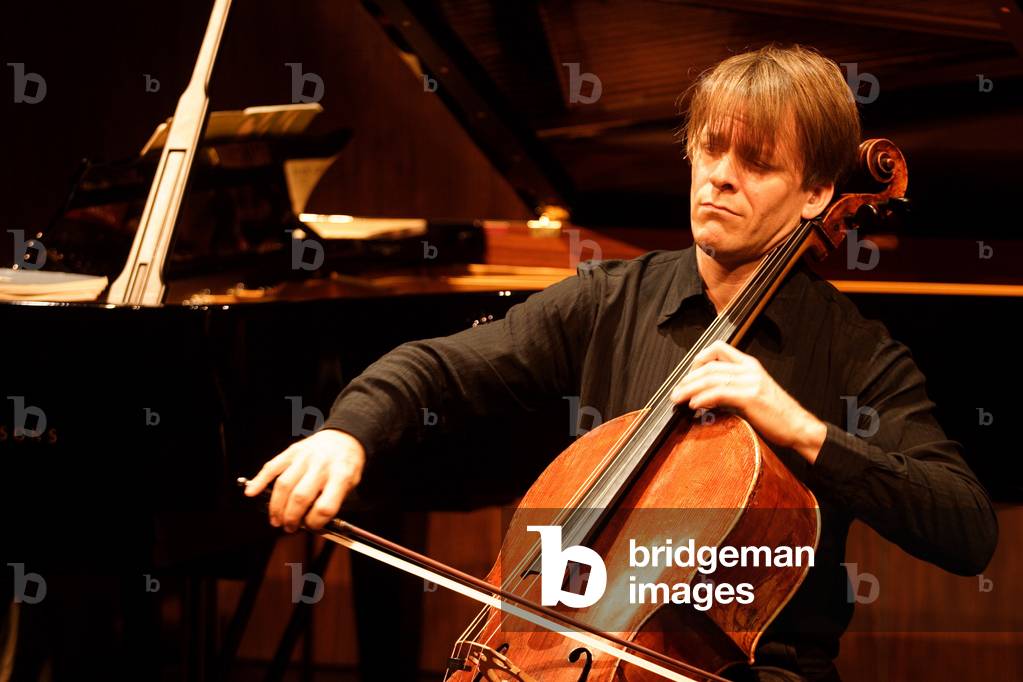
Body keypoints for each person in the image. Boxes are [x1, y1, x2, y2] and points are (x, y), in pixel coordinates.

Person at [245, 44, 998, 681]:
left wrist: (801, 430)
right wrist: (346, 434)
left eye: (756, 162)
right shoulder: (609, 301)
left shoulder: (855, 353)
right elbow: (436, 368)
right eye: (710, 149)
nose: (719, 175)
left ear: (815, 194)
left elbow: (964, 530)